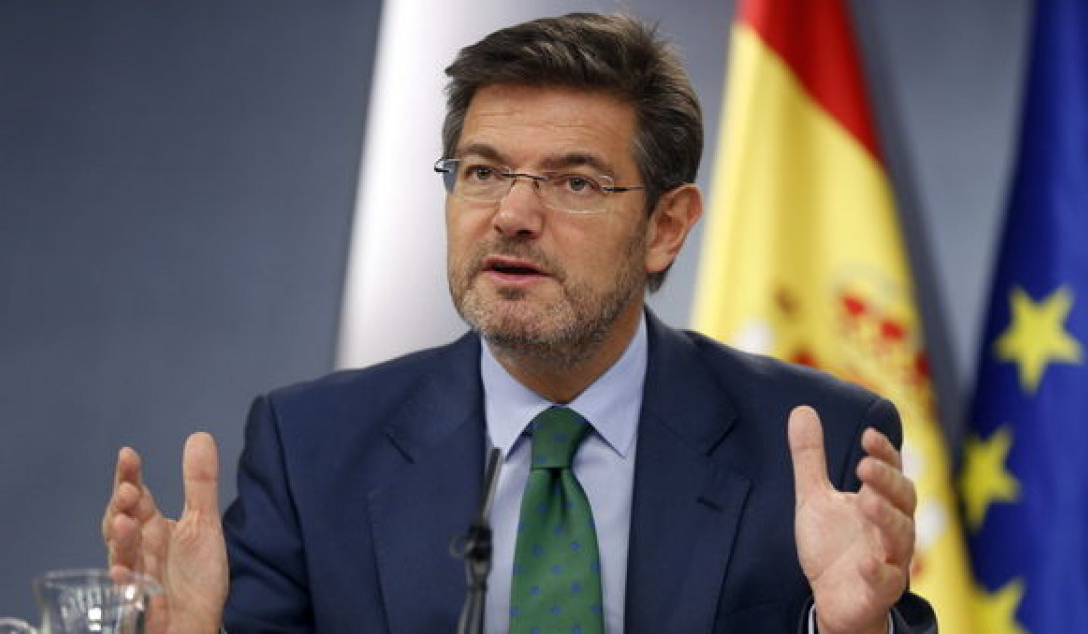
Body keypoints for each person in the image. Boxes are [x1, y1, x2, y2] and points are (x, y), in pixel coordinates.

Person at [103, 13, 936, 634]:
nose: (510, 215)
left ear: (666, 226)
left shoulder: (814, 442)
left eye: (574, 183)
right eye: (482, 172)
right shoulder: (313, 446)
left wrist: (852, 633)